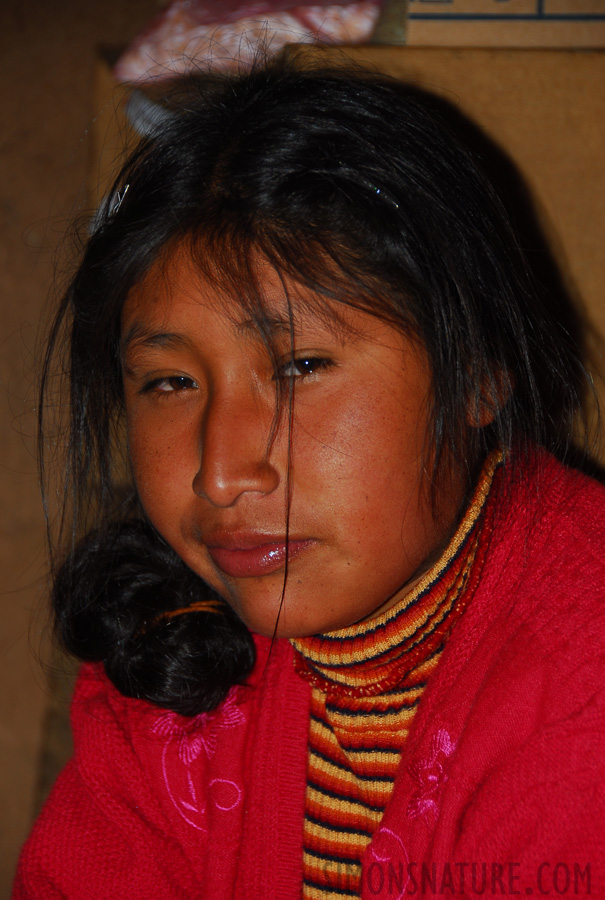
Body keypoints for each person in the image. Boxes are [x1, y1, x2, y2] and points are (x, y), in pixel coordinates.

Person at [13, 60, 605, 899]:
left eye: (298, 366)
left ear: (476, 372)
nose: (219, 474)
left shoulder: (583, 701)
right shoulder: (170, 649)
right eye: (170, 383)